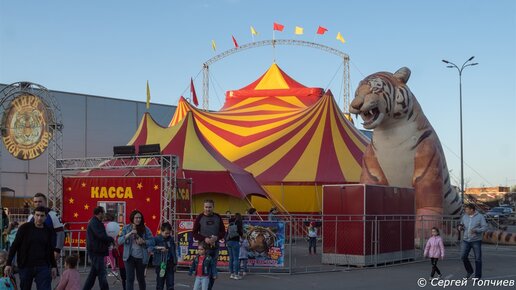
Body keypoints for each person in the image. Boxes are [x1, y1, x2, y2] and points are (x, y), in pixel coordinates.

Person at [5, 206, 57, 290]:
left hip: (43, 266)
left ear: (46, 217)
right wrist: (8, 264)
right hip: (25, 265)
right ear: (33, 215)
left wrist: (54, 266)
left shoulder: (48, 230)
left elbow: (50, 249)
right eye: (37, 215)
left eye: (42, 215)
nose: (39, 218)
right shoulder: (24, 228)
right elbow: (14, 246)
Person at [192, 199, 225, 290]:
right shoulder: (200, 217)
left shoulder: (218, 217)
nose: (208, 209)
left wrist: (217, 237)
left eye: (210, 207)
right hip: (203, 249)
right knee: (202, 270)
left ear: (213, 207)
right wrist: (204, 238)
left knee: (212, 270)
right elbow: (194, 233)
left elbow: (223, 232)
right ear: (203, 207)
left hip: (215, 248)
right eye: (206, 207)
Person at [118, 210, 154, 290]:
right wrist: (129, 233)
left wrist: (144, 241)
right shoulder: (126, 228)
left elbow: (152, 241)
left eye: (140, 218)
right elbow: (119, 241)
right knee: (129, 279)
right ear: (132, 218)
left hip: (141, 258)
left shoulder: (145, 229)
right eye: (136, 218)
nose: (138, 219)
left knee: (141, 279)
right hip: (129, 257)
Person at [82, 206, 115, 290]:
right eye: (103, 213)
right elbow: (101, 235)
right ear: (100, 213)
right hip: (96, 251)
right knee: (102, 274)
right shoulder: (94, 223)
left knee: (93, 275)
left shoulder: (96, 222)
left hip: (97, 251)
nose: (104, 215)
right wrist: (111, 239)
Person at [28, 193, 65, 262]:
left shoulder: (53, 215)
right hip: (33, 251)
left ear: (45, 202)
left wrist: (57, 250)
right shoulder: (30, 216)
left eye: (40, 201)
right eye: (35, 202)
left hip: (49, 251)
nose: (37, 203)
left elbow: (60, 233)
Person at [459, 204, 488, 279]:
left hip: (476, 240)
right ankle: (470, 271)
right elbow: (462, 224)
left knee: (478, 259)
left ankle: (477, 276)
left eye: (467, 209)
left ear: (472, 210)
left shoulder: (480, 217)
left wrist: (476, 230)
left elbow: (485, 227)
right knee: (463, 256)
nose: (465, 211)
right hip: (466, 240)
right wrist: (460, 227)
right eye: (465, 209)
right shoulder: (464, 216)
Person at [152, 222, 177, 290]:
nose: (168, 235)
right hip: (161, 265)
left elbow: (173, 251)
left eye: (169, 233)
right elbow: (150, 248)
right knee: (160, 284)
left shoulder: (171, 239)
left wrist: (175, 262)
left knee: (171, 284)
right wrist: (159, 248)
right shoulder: (156, 239)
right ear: (161, 231)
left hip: (170, 264)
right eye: (166, 233)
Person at [226, 213, 243, 280]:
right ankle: (236, 274)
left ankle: (231, 274)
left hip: (229, 242)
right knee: (236, 258)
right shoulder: (238, 223)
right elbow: (241, 233)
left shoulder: (230, 224)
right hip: (235, 242)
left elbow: (227, 233)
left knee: (231, 258)